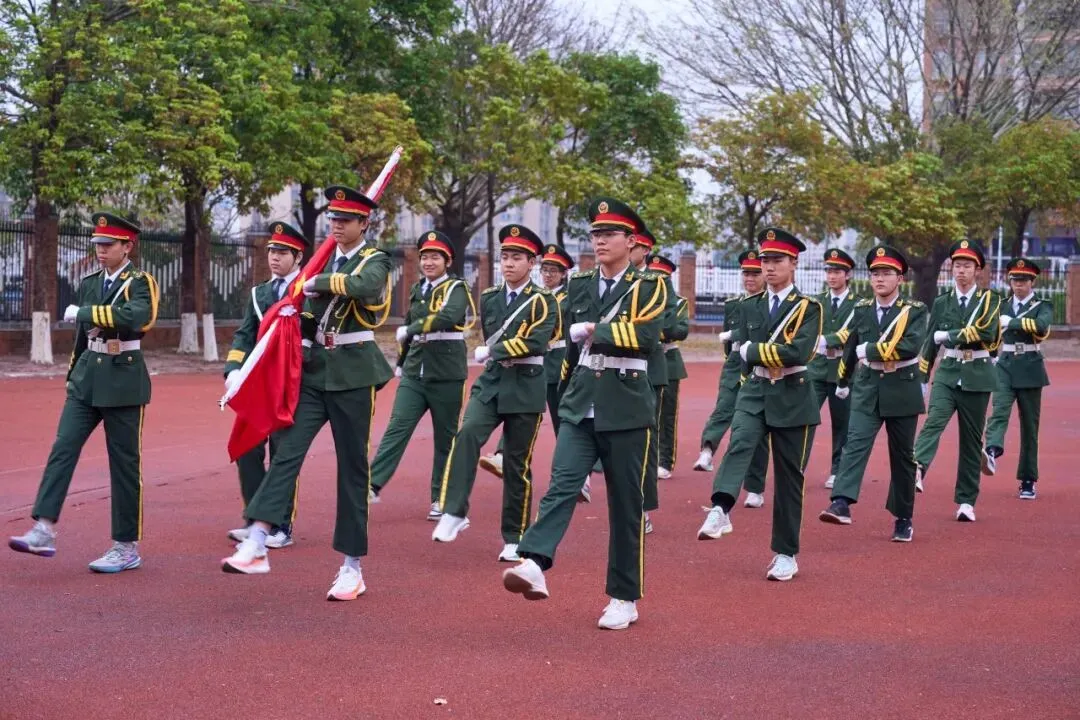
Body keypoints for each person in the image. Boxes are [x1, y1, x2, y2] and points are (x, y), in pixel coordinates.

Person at [222, 184, 393, 602]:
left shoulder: (374, 259)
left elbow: (366, 286)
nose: (337, 225)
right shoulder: (322, 258)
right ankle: (260, 537)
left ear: (363, 223)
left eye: (345, 219)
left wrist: (320, 281)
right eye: (333, 218)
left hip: (354, 372)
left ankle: (352, 567)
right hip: (316, 374)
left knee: (353, 470)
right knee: (288, 452)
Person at [502, 197, 666, 630]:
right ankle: (535, 560)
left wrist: (599, 330)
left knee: (627, 508)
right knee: (562, 484)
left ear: (631, 241)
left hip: (627, 404)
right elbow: (572, 352)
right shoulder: (579, 286)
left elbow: (648, 336)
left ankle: (624, 596)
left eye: (609, 234)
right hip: (581, 400)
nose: (600, 240)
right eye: (595, 234)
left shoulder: (650, 286)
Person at [9, 212, 159, 573]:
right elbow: (81, 336)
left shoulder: (141, 282)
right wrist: (73, 374)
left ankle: (125, 546)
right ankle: (44, 527)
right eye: (98, 245)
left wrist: (87, 312)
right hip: (87, 380)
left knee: (124, 465)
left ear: (128, 246)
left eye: (108, 245)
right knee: (62, 449)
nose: (101, 251)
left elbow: (139, 317)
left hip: (124, 381)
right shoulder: (91, 282)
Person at [697, 227, 821, 583]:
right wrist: (749, 357)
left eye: (776, 260)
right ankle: (721, 507)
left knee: (788, 479)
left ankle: (786, 553)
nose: (768, 267)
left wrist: (753, 350)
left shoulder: (808, 308)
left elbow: (799, 352)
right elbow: (739, 356)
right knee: (739, 445)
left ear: (793, 263)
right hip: (755, 389)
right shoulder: (747, 306)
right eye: (764, 259)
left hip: (793, 394)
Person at [431, 225, 558, 562]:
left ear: (532, 262)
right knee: (468, 433)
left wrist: (497, 349)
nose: (509, 264)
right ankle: (454, 511)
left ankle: (514, 537)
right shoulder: (488, 297)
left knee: (517, 464)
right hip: (492, 381)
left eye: (517, 258)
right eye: (505, 257)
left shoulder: (544, 301)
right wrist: (496, 354)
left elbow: (537, 341)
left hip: (527, 383)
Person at [818, 246, 927, 540]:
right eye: (875, 273)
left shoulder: (914, 311)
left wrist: (873, 350)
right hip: (867, 388)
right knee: (854, 444)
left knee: (902, 457)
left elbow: (910, 346)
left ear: (899, 279)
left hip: (901, 388)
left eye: (886, 274)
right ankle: (841, 502)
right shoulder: (863, 309)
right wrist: (842, 380)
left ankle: (903, 516)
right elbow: (852, 345)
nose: (879, 279)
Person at [368, 231, 474, 519]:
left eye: (435, 257)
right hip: (416, 371)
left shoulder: (457, 288)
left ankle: (441, 498)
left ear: (447, 261)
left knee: (445, 438)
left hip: (446, 373)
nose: (429, 262)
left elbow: (448, 317)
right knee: (397, 427)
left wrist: (413, 330)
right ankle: (373, 483)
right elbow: (409, 327)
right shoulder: (417, 289)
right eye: (425, 257)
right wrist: (402, 362)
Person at [223, 221, 309, 549]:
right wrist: (233, 368)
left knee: (282, 452)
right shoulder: (259, 293)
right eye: (272, 250)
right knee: (247, 448)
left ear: (297, 256)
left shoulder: (305, 290)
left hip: (290, 381)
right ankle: (254, 517)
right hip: (257, 381)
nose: (275, 257)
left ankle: (280, 526)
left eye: (282, 252)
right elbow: (245, 334)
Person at [913, 240, 1001, 522]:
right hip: (948, 372)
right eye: (957, 265)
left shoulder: (990, 300)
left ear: (978, 270)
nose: (961, 271)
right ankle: (918, 466)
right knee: (934, 420)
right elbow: (929, 341)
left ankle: (966, 501)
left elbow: (987, 334)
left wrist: (950, 335)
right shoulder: (942, 302)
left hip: (977, 373)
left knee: (970, 440)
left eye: (967, 266)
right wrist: (923, 377)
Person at [478, 243, 574, 479]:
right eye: (546, 270)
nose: (548, 274)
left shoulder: (568, 298)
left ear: (564, 274)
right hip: (531, 362)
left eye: (554, 270)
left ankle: (574, 471)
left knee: (563, 418)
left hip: (559, 360)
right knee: (522, 412)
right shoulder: (533, 296)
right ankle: (503, 454)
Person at [693, 249, 769, 509]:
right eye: (746, 273)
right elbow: (728, 348)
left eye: (755, 273)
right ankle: (707, 450)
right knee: (723, 408)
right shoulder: (733, 304)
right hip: (735, 363)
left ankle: (755, 487)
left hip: (759, 364)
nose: (750, 278)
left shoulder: (767, 304)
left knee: (755, 430)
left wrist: (735, 334)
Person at [983, 258, 1051, 499]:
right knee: (999, 410)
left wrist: (1012, 322)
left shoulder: (1043, 305)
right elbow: (992, 334)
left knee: (1030, 428)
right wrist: (990, 356)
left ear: (1032, 281)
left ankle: (1028, 479)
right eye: (1014, 280)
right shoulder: (1001, 305)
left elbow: (1041, 326)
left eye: (1023, 280)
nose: (1018, 284)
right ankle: (992, 449)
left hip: (1031, 369)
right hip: (1005, 366)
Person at [808, 248, 860, 489]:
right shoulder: (817, 302)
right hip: (817, 367)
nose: (832, 276)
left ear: (848, 275)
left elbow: (852, 333)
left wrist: (826, 340)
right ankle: (797, 465)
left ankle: (838, 470)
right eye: (829, 271)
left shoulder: (858, 305)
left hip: (843, 368)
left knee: (843, 423)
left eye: (837, 271)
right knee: (806, 416)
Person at [647, 254, 689, 480]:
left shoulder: (679, 302)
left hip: (669, 361)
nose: (656, 280)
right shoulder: (642, 299)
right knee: (646, 413)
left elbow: (679, 330)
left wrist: (652, 332)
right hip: (647, 360)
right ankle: (648, 458)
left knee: (667, 415)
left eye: (661, 277)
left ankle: (666, 460)